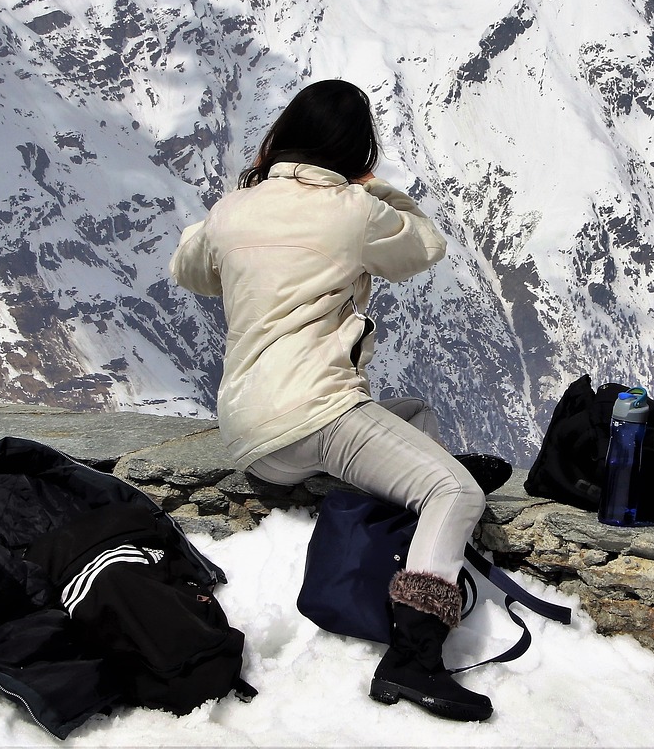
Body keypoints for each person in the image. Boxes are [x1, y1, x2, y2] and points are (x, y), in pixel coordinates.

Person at [169, 79, 504, 722]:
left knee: (413, 418)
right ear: (357, 150)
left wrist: (237, 203)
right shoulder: (353, 209)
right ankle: (414, 658)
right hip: (317, 415)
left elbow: (190, 268)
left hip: (249, 434)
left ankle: (422, 472)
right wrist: (373, 188)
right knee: (454, 493)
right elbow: (423, 246)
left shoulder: (235, 208)